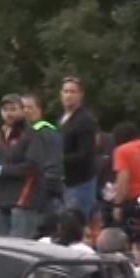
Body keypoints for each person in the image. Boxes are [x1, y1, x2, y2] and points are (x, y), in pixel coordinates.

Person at [0, 94, 47, 239]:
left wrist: (1, 170)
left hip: (22, 200)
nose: (9, 113)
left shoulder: (31, 135)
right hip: (0, 199)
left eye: (13, 109)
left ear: (22, 111)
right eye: (5, 109)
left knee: (19, 245)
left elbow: (31, 167)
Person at [59, 76, 100, 219]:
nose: (68, 95)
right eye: (65, 91)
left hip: (80, 182)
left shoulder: (84, 119)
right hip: (66, 181)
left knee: (76, 222)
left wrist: (59, 159)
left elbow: (86, 153)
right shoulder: (63, 118)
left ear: (81, 95)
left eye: (73, 92)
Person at [22, 93, 64, 215]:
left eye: (30, 107)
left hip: (43, 191)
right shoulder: (25, 133)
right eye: (23, 107)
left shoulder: (45, 131)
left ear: (39, 110)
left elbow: (54, 162)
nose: (26, 111)